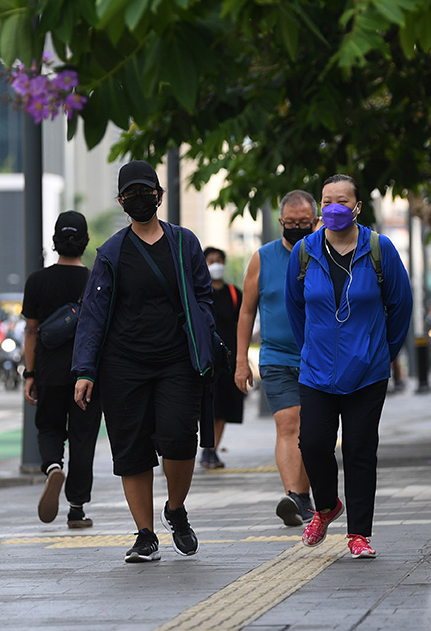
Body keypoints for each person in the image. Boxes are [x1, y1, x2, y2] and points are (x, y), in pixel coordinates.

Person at [72, 160, 215, 563]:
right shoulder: (112, 252)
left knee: (180, 440)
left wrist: (201, 328)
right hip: (123, 365)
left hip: (177, 361)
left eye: (145, 191)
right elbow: (94, 314)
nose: (139, 198)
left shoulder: (184, 243)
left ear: (159, 195)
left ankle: (175, 510)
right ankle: (145, 534)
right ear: (121, 201)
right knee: (131, 449)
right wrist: (85, 370)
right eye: (131, 193)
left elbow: (203, 296)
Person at [284, 173, 412, 559]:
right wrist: (311, 349)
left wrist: (383, 352)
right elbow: (295, 310)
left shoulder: (380, 248)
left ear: (357, 207)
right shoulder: (304, 252)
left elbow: (400, 306)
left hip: (368, 372)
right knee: (313, 445)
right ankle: (326, 507)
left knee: (360, 450)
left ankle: (359, 534)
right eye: (327, 201)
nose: (334, 208)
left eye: (342, 201)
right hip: (317, 371)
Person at [235, 190, 316, 526]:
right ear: (281, 222)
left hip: (318, 358)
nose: (297, 228)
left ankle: (303, 495)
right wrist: (241, 360)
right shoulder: (262, 258)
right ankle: (294, 496)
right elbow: (246, 311)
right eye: (291, 223)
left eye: (304, 223)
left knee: (313, 431)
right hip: (276, 356)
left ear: (315, 222)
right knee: (288, 422)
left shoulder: (324, 254)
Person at [21, 210, 103, 528]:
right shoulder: (97, 280)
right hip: (88, 374)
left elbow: (31, 331)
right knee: (83, 438)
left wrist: (30, 374)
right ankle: (77, 509)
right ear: (86, 242)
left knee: (49, 428)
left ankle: (53, 466)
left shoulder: (37, 281)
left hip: (48, 370)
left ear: (55, 242)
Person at [200, 246, 245, 470]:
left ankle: (212, 450)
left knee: (224, 406)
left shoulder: (235, 293)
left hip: (228, 359)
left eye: (219, 260)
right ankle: (203, 448)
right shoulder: (199, 291)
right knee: (205, 404)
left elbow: (241, 324)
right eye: (210, 260)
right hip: (204, 358)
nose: (215, 264)